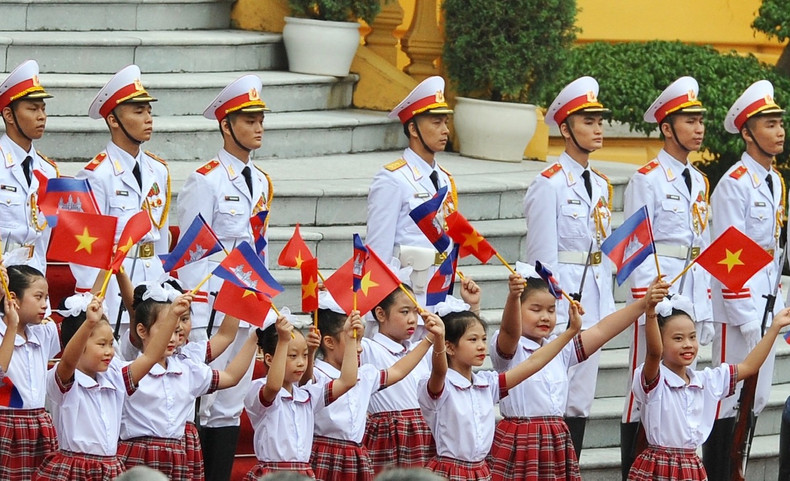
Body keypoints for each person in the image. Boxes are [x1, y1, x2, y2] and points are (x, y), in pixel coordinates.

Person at [177, 74, 273, 481]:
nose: (258, 127)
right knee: (205, 400)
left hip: (246, 302)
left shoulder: (262, 181)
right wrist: (199, 312)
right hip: (214, 306)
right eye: (249, 120)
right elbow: (191, 252)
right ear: (226, 125)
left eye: (260, 119)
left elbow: (259, 246)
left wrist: (263, 302)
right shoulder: (206, 179)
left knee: (231, 404)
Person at [488, 264, 667, 481]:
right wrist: (513, 297)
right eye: (536, 309)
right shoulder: (509, 351)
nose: (545, 317)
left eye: (551, 310)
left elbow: (602, 330)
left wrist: (644, 303)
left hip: (556, 440)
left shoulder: (560, 348)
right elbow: (509, 330)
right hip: (520, 440)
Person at [620, 76, 713, 477]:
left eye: (700, 120)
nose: (698, 128)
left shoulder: (700, 180)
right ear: (667, 128)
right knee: (643, 391)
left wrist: (705, 304)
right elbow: (637, 244)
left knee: (684, 386)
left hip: (691, 290)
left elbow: (703, 245)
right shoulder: (648, 178)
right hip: (658, 293)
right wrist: (648, 305)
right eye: (689, 121)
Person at [523, 76, 615, 455]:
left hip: (595, 297)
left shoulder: (602, 184)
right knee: (556, 393)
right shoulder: (549, 184)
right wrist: (553, 307)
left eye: (599, 121)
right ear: (565, 129)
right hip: (564, 300)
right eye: (588, 121)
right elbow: (541, 259)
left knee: (581, 398)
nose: (598, 128)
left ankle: (570, 467)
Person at [703, 79, 787, 480]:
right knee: (728, 397)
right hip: (739, 308)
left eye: (780, 123)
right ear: (747, 133)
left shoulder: (775, 181)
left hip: (768, 300)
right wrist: (746, 315)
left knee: (757, 399)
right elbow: (725, 255)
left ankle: (737, 470)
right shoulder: (734, 185)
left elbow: (774, 250)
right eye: (770, 124)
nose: (780, 131)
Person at [419, 288, 581, 481]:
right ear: (449, 347)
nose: (481, 346)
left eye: (483, 339)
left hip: (482, 471)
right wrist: (438, 339)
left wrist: (571, 332)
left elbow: (533, 362)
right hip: (449, 471)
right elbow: (439, 371)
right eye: (473, 340)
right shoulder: (441, 386)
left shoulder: (487, 384)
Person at [629, 295, 790, 480]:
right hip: (658, 466)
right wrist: (650, 312)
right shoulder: (655, 381)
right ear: (660, 341)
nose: (688, 344)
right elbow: (653, 353)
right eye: (678, 338)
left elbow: (749, 367)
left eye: (692, 337)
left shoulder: (706, 381)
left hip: (692, 467)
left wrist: (775, 327)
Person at [33, 292, 181, 480]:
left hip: (110, 467)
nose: (109, 352)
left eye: (111, 344)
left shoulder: (115, 377)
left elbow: (150, 357)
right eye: (101, 344)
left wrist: (173, 315)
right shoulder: (65, 380)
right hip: (74, 467)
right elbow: (68, 361)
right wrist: (89, 323)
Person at [116, 285, 258, 480]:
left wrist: (254, 338)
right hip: (140, 452)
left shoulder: (187, 367)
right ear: (141, 330)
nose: (172, 338)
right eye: (165, 330)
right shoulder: (130, 370)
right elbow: (148, 356)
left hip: (177, 454)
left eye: (176, 330)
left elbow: (231, 376)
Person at [72, 65, 170, 345]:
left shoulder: (157, 170)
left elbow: (160, 235)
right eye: (138, 112)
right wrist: (93, 300)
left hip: (152, 282)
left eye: (149, 111)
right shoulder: (96, 174)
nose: (148, 118)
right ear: (114, 120)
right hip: (114, 288)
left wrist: (163, 282)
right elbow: (86, 248)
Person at [308, 291, 444, 481]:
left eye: (359, 339)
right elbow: (306, 381)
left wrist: (430, 339)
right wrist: (309, 353)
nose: (359, 348)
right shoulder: (316, 375)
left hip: (356, 453)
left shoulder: (365, 376)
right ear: (329, 342)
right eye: (353, 339)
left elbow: (398, 370)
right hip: (326, 452)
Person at [362, 282, 479, 474]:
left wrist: (473, 306)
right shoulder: (368, 348)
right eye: (404, 312)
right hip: (388, 435)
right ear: (381, 314)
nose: (412, 319)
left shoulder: (421, 349)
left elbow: (462, 346)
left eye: (415, 312)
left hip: (425, 431)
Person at [366, 76, 457, 305]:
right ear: (413, 129)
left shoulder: (445, 178)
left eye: (445, 122)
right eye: (436, 123)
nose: (445, 130)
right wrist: (381, 308)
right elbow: (378, 251)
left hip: (439, 294)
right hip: (406, 297)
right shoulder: (393, 179)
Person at [243, 313, 362, 480]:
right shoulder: (259, 389)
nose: (301, 363)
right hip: (273, 475)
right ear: (269, 359)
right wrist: (283, 341)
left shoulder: (307, 395)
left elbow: (347, 381)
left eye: (305, 355)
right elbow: (274, 386)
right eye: (293, 356)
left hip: (304, 473)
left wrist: (350, 339)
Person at [0, 265, 59, 480]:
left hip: (39, 425)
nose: (45, 305)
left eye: (47, 298)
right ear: (13, 298)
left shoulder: (44, 332)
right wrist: (12, 326)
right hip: (5, 425)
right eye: (38, 297)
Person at [0, 60, 58, 274]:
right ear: (9, 115)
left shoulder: (48, 170)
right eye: (33, 109)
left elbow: (43, 235)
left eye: (43, 109)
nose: (41, 116)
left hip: (34, 273)